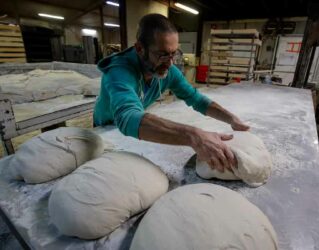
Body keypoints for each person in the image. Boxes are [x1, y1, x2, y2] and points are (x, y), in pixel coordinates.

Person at [93, 13, 249, 173]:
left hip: (132, 128)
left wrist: (231, 119)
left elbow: (196, 99)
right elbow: (127, 118)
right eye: (162, 54)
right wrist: (194, 136)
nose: (170, 62)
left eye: (174, 53)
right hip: (105, 131)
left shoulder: (167, 69)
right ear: (140, 48)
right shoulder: (119, 71)